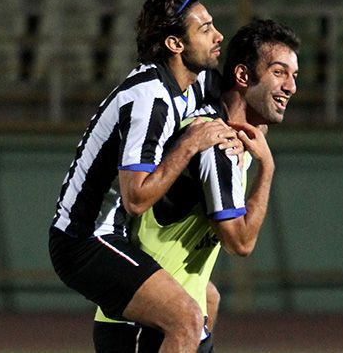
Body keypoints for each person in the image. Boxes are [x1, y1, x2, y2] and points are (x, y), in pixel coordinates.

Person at [48, 0, 241, 353]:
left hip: (116, 234)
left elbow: (238, 97)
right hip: (84, 240)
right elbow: (136, 197)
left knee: (207, 298)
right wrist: (189, 144)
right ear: (175, 44)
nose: (218, 36)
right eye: (205, 29)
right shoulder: (149, 97)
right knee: (186, 317)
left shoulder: (193, 84)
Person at [93, 19, 301, 352]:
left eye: (294, 76)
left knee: (211, 296)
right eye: (279, 72)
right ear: (243, 76)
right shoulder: (213, 142)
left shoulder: (234, 138)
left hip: (179, 321)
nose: (291, 86)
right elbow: (241, 243)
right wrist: (269, 169)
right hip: (145, 326)